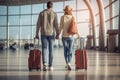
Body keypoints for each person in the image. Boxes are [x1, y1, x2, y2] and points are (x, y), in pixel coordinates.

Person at [35, 1, 59, 71]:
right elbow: (56, 25)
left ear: (47, 6)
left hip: (43, 33)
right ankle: (50, 66)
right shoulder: (54, 14)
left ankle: (44, 64)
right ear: (52, 6)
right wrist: (57, 33)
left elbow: (38, 24)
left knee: (44, 49)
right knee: (51, 50)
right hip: (51, 34)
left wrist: (36, 34)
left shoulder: (41, 13)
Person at [56, 5, 79, 70]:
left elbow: (60, 27)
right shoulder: (73, 17)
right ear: (70, 11)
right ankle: (69, 62)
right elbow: (75, 27)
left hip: (64, 36)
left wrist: (58, 34)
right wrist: (77, 34)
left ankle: (66, 63)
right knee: (70, 50)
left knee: (65, 50)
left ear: (65, 11)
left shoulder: (62, 17)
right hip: (71, 36)